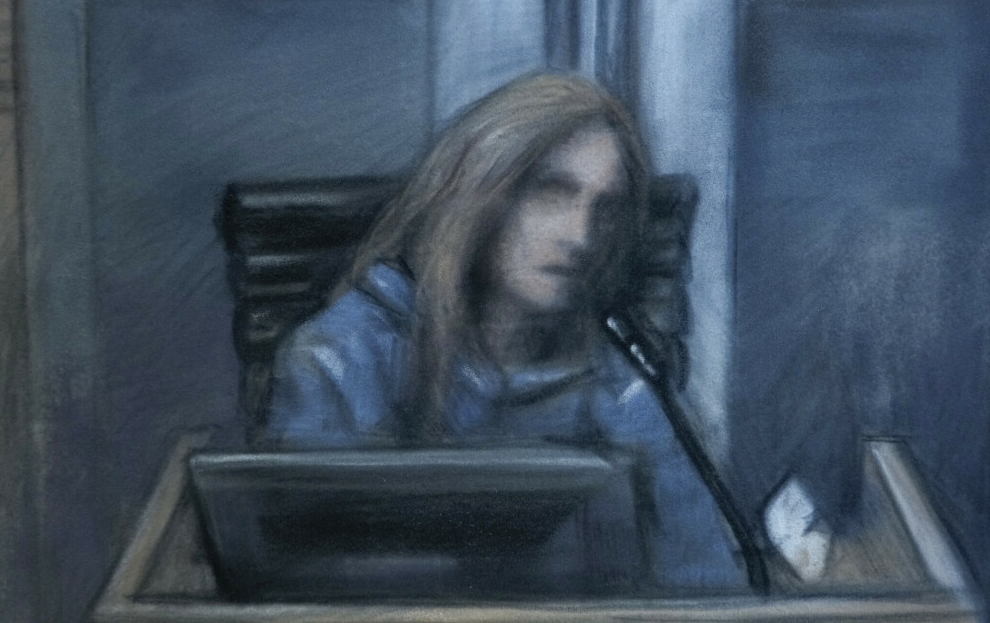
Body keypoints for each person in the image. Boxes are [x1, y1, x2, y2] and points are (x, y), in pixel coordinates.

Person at [265, 72, 749, 592]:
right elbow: (301, 587)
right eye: (552, 192)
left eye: (605, 208)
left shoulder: (622, 387)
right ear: (479, 194)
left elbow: (708, 586)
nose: (581, 235)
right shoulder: (342, 359)